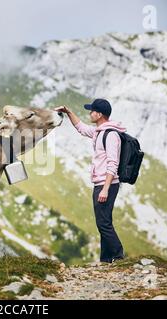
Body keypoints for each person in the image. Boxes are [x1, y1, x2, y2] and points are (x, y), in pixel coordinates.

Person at [55, 99, 125, 263]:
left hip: (106, 184)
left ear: (99, 114)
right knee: (104, 222)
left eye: (92, 111)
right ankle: (106, 260)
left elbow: (113, 163)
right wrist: (68, 111)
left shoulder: (111, 135)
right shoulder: (99, 132)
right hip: (101, 183)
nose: (89, 113)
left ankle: (119, 256)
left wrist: (105, 189)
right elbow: (81, 128)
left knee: (103, 224)